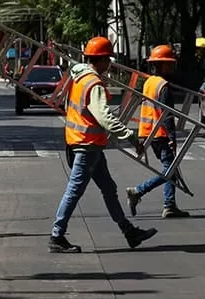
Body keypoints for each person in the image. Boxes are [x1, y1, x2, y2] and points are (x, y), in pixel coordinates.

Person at [49, 36, 158, 254]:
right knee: (74, 191)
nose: (109, 64)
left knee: (109, 189)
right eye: (107, 59)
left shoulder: (78, 77)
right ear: (99, 60)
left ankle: (129, 232)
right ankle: (57, 236)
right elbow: (104, 117)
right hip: (86, 146)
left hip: (84, 144)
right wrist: (130, 136)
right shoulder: (94, 83)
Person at [125, 45, 188, 219]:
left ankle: (170, 206)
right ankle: (137, 191)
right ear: (162, 65)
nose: (172, 67)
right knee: (169, 171)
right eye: (170, 64)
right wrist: (172, 137)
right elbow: (166, 115)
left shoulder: (149, 82)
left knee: (171, 170)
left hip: (148, 133)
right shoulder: (163, 86)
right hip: (160, 133)